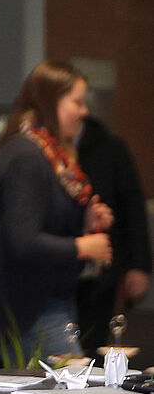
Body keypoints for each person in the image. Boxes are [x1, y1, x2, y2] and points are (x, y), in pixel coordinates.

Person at [0, 61, 114, 359]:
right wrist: (83, 246)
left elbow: (36, 220)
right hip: (27, 312)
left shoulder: (44, 153)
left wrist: (83, 221)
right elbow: (24, 240)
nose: (84, 111)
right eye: (77, 101)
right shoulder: (27, 157)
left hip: (40, 304)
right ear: (51, 101)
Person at [75, 115, 152, 353]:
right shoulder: (47, 148)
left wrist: (140, 266)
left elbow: (133, 208)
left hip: (101, 264)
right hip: (62, 264)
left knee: (94, 340)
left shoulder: (111, 147)